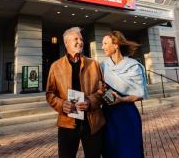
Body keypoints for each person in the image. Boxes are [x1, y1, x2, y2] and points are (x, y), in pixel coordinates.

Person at [46, 27, 105, 158]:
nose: (80, 42)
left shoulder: (94, 64)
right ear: (66, 43)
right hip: (67, 122)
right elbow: (50, 93)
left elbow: (103, 90)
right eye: (76, 39)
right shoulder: (55, 66)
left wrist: (90, 101)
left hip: (92, 122)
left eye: (82, 39)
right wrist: (61, 105)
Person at [100, 30, 149, 158]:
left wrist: (121, 99)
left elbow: (139, 94)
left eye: (105, 43)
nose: (102, 47)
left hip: (126, 115)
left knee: (129, 152)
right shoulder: (103, 66)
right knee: (110, 151)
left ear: (115, 45)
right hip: (107, 116)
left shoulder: (133, 66)